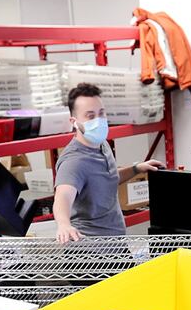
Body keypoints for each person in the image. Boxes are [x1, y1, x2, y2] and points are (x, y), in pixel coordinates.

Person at [54, 83, 163, 243]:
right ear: (74, 121)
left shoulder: (102, 144)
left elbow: (106, 179)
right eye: (90, 116)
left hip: (116, 243)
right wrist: (63, 224)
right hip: (91, 249)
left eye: (101, 113)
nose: (98, 120)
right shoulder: (73, 161)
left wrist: (136, 169)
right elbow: (63, 196)